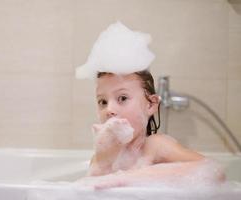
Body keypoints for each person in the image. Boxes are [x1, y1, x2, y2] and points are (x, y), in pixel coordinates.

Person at [75, 22, 225, 189]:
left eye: (122, 98)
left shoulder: (154, 146)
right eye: (102, 101)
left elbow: (213, 170)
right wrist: (103, 163)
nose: (109, 109)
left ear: (151, 105)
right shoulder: (101, 157)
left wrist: (127, 178)